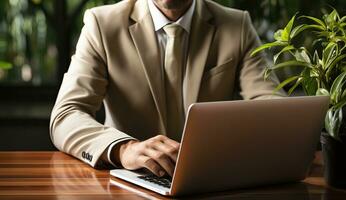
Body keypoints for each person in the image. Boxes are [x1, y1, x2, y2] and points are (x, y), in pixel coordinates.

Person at [50, 0, 284, 177]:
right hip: (129, 181)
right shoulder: (102, 24)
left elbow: (273, 105)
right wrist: (125, 149)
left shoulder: (237, 25)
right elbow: (66, 115)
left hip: (212, 178)